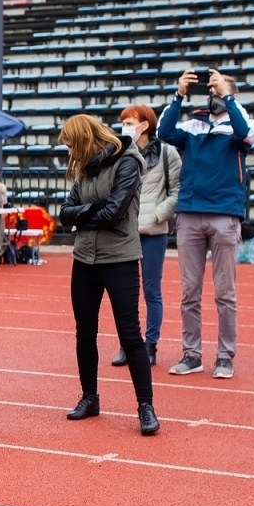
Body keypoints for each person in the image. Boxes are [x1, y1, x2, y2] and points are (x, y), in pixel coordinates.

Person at [58, 115, 159, 436]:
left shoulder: (128, 162)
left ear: (85, 139)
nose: (70, 152)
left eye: (72, 144)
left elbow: (115, 212)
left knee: (130, 334)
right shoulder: (84, 167)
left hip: (120, 259)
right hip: (84, 259)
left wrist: (83, 214)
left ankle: (146, 406)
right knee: (84, 333)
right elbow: (64, 213)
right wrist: (91, 211)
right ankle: (90, 398)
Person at [158, 68, 254, 379]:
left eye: (220, 91)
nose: (214, 96)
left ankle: (225, 356)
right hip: (190, 212)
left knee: (224, 293)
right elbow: (163, 131)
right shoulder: (192, 125)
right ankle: (192, 354)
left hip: (224, 214)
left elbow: (246, 135)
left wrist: (228, 97)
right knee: (189, 291)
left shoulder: (242, 122)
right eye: (212, 91)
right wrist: (178, 96)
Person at [110, 106, 179, 368]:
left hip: (152, 231)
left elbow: (177, 190)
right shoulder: (119, 150)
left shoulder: (166, 152)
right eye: (123, 122)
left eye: (129, 122)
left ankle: (150, 345)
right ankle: (127, 344)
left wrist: (158, 215)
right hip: (124, 230)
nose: (125, 126)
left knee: (151, 290)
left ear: (145, 125)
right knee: (124, 292)